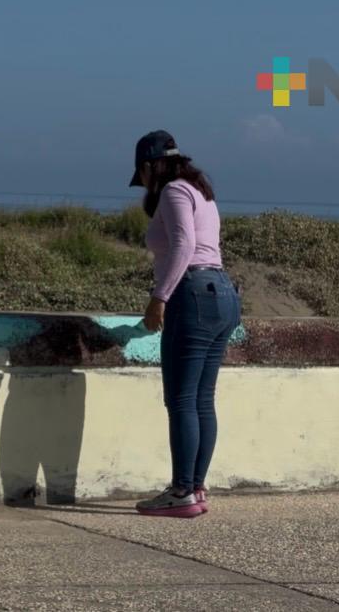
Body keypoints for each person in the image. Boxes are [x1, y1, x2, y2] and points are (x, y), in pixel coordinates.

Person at [129, 130, 241, 518]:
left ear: (148, 166)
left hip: (192, 294)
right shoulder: (200, 191)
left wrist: (159, 297)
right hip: (222, 292)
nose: (142, 185)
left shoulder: (174, 191)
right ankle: (195, 488)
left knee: (180, 400)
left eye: (140, 176)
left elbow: (183, 246)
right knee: (201, 400)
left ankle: (181, 491)